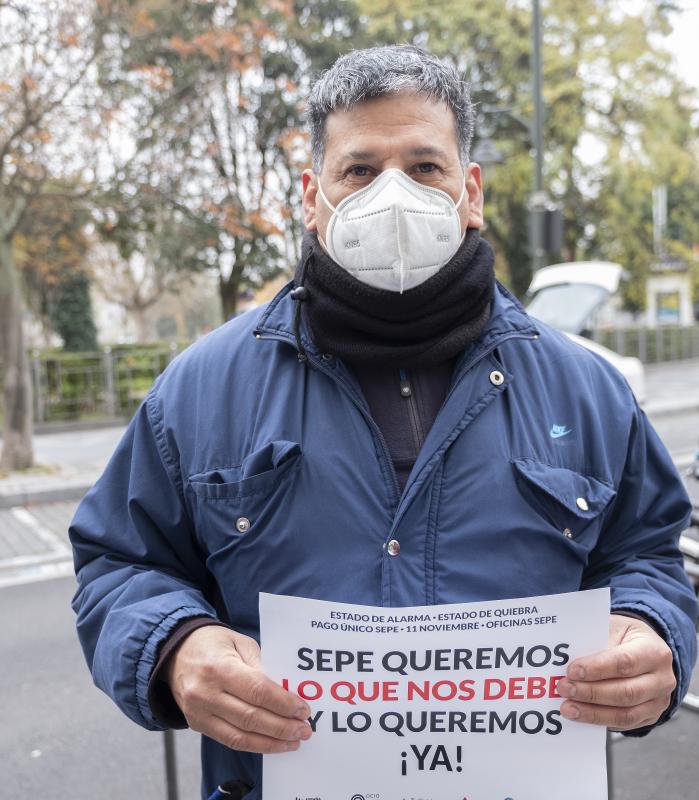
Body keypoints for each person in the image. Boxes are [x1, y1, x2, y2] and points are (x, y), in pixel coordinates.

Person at [70, 45, 697, 799]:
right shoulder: (201, 390)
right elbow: (119, 562)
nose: (392, 195)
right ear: (313, 198)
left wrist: (650, 631)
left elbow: (648, 556)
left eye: (424, 167)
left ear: (470, 192)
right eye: (360, 170)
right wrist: (174, 648)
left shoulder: (585, 389)